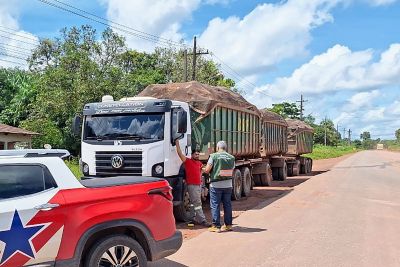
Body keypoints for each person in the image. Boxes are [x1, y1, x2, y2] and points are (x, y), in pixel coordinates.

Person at [175, 139, 211, 227]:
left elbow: (202, 172)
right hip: (192, 185)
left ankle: (193, 218)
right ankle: (202, 220)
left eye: (198, 154)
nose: (197, 155)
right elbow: (180, 153)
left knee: (192, 202)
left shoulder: (199, 163)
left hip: (198, 185)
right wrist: (177, 144)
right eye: (196, 154)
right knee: (198, 203)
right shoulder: (188, 161)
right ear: (192, 155)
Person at [204, 140, 235, 233]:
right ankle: (228, 225)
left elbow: (207, 170)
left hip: (216, 185)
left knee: (215, 205)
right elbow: (232, 169)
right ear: (225, 148)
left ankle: (216, 226)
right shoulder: (231, 157)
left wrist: (204, 169)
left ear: (217, 148)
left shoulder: (214, 156)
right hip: (228, 185)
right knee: (227, 205)